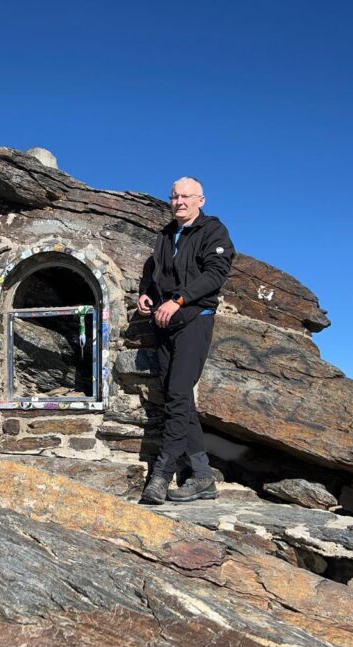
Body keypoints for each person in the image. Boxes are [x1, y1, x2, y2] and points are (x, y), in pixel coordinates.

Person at [135, 177, 235, 504]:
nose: (179, 202)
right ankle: (203, 476)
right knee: (176, 396)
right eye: (175, 196)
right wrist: (147, 295)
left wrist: (178, 300)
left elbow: (215, 274)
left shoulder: (213, 231)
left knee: (178, 394)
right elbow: (155, 274)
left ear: (200, 200)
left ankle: (161, 475)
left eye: (186, 196)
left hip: (195, 319)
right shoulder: (165, 234)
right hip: (166, 322)